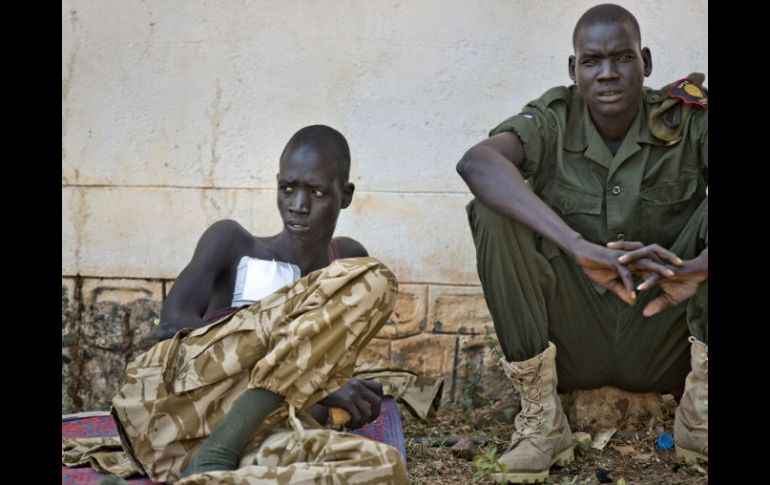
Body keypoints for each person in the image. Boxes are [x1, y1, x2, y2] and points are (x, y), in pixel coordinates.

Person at [456, 4, 707, 483]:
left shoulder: (690, 122)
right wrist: (576, 245)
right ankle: (541, 422)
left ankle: (701, 417)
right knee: (493, 207)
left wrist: (700, 267)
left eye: (622, 58)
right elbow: (477, 164)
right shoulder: (552, 119)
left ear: (646, 62)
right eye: (592, 61)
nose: (607, 74)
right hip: (572, 338)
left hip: (667, 332)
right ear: (574, 70)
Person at [108, 125, 408, 484]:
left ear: (345, 196)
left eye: (316, 192)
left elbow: (318, 374)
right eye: (288, 189)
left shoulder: (345, 261)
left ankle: (205, 475)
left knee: (381, 468)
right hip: (182, 415)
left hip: (260, 435)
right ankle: (217, 451)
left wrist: (341, 395)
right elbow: (172, 329)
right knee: (374, 277)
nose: (298, 206)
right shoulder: (233, 241)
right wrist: (319, 384)